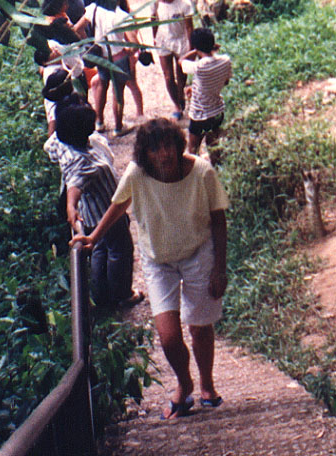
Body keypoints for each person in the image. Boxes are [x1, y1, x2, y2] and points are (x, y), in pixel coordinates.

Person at [74, 117, 228, 418]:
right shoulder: (137, 174)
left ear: (178, 146)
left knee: (199, 326)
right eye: (156, 150)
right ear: (145, 153)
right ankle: (185, 385)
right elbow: (118, 206)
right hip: (158, 258)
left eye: (169, 147)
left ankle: (207, 384)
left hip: (198, 252)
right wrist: (93, 237)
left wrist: (219, 268)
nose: (164, 155)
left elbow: (218, 218)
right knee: (168, 337)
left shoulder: (201, 171)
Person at [45, 100, 138, 310]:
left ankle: (101, 294)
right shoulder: (84, 162)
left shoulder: (61, 145)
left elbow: (50, 150)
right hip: (108, 214)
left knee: (99, 250)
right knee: (119, 251)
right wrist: (71, 207)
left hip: (90, 215)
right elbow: (75, 187)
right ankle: (122, 295)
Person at [76, 0, 140, 134]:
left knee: (101, 87)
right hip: (118, 58)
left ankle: (99, 122)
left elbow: (77, 28)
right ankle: (118, 127)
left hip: (101, 57)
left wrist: (89, 43)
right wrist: (127, 52)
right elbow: (134, 43)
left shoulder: (94, 8)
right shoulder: (122, 16)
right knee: (118, 92)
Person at [146, 0, 194, 118]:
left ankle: (181, 95)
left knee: (181, 74)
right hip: (163, 41)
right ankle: (176, 105)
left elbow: (189, 26)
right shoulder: (154, 2)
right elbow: (153, 20)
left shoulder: (183, 3)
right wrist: (154, 38)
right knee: (168, 76)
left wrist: (190, 46)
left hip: (180, 41)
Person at [180, 27, 231, 157]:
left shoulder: (199, 67)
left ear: (196, 47)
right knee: (214, 147)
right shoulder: (225, 60)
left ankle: (196, 174)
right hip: (218, 111)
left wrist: (194, 50)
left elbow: (181, 61)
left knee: (193, 150)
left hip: (200, 115)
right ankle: (215, 171)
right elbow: (225, 82)